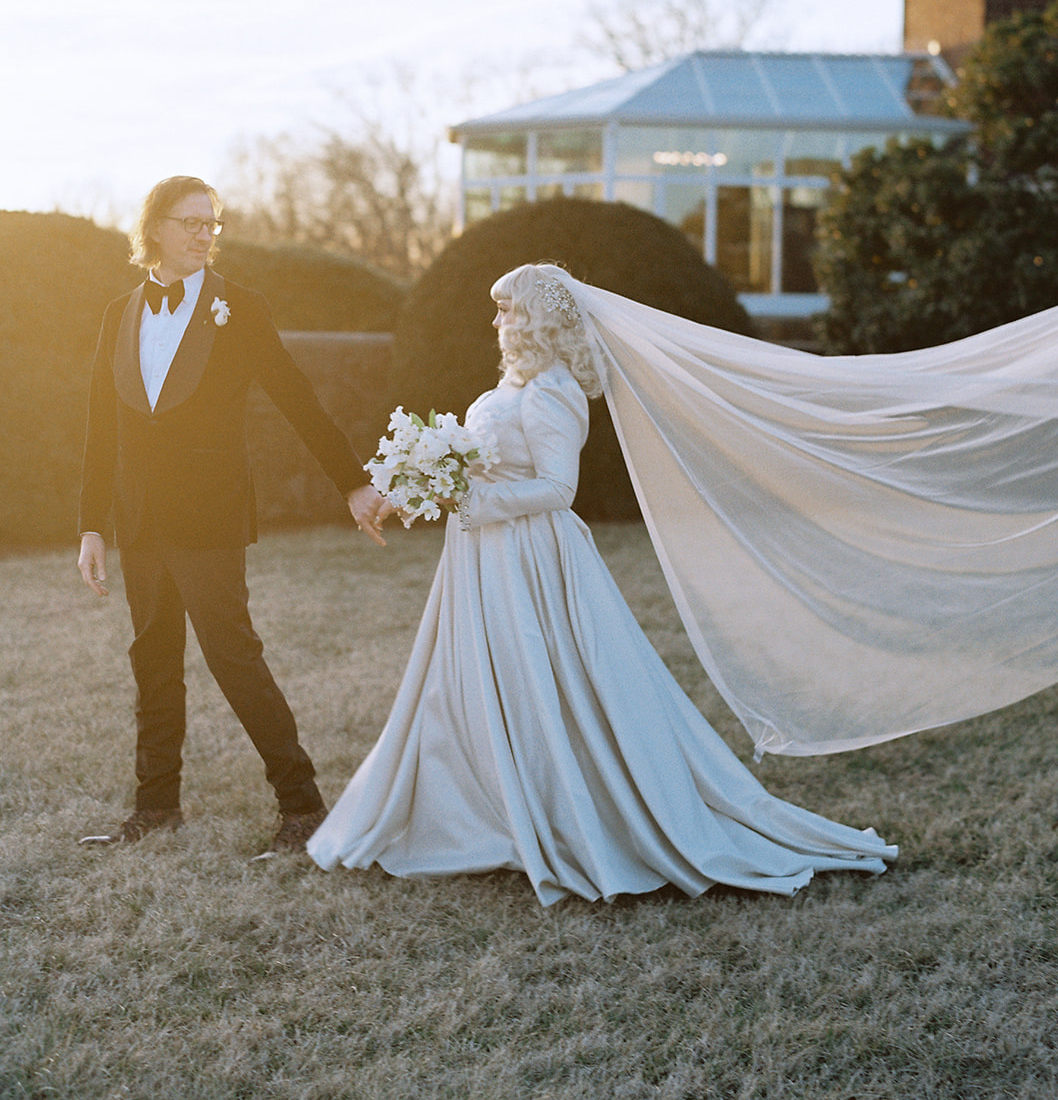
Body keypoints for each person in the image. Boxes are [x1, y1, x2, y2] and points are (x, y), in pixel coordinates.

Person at [308, 263, 896, 905]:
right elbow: (471, 462)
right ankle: (488, 806)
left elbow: (561, 489)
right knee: (479, 679)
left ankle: (569, 808)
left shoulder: (552, 391)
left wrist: (480, 504)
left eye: (506, 309)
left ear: (534, 318)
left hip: (530, 554)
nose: (496, 321)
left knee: (550, 675)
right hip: (481, 559)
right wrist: (410, 485)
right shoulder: (514, 384)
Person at [77, 175, 387, 852]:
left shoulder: (237, 306)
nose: (203, 235)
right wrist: (92, 524)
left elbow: (295, 395)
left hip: (209, 516)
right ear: (154, 227)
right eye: (189, 222)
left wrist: (353, 483)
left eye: (211, 224)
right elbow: (103, 426)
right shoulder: (118, 313)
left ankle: (302, 807)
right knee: (152, 661)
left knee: (234, 657)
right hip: (140, 520)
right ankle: (156, 807)